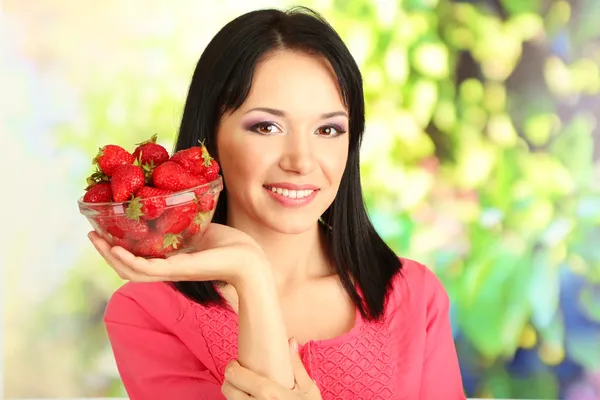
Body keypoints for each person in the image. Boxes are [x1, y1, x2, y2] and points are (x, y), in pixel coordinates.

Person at [88, 6, 466, 400]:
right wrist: (249, 272)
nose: (301, 161)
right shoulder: (148, 312)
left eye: (328, 129)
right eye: (267, 126)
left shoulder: (415, 297)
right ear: (211, 137)